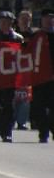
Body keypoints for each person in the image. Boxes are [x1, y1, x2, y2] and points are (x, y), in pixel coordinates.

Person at [0, 11, 23, 142]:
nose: (4, 24)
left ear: (11, 23)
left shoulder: (17, 39)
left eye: (7, 22)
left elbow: (22, 58)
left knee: (8, 105)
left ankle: (7, 132)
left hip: (9, 78)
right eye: (2, 21)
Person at [34, 9, 54, 143]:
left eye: (52, 17)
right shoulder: (36, 36)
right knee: (39, 106)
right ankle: (43, 132)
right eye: (47, 17)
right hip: (39, 78)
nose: (49, 20)